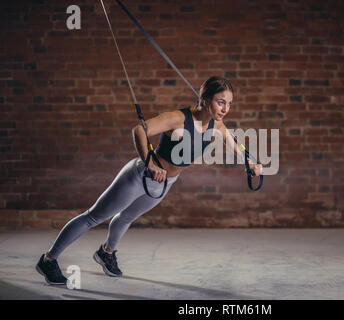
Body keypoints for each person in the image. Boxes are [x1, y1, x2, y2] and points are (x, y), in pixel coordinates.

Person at [35, 76, 263, 285]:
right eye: (220, 102)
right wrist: (150, 162)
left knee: (126, 217)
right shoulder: (178, 118)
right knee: (94, 217)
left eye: (229, 104)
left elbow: (236, 144)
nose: (225, 109)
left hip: (164, 184)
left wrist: (250, 162)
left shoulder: (216, 124)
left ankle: (107, 252)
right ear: (204, 99)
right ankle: (48, 259)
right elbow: (139, 130)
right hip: (139, 176)